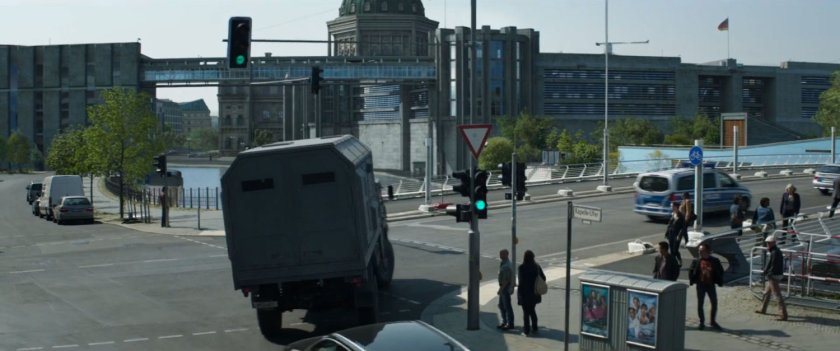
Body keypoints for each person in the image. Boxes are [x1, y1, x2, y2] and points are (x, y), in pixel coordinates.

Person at [688, 243, 724, 331]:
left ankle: (713, 321)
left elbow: (721, 270)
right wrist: (692, 280)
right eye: (699, 251)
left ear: (707, 251)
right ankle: (702, 322)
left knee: (714, 303)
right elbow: (691, 271)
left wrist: (719, 280)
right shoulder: (697, 260)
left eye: (701, 251)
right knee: (700, 304)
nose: (699, 252)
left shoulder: (715, 260)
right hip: (701, 285)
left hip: (710, 284)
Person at [755, 235, 788, 321]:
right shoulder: (776, 251)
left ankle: (783, 315)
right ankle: (763, 309)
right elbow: (773, 264)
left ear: (773, 243)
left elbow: (772, 265)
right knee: (767, 293)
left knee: (777, 295)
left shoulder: (774, 252)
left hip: (773, 275)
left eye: (769, 243)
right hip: (775, 275)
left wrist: (767, 273)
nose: (768, 244)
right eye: (767, 243)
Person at [517, 250, 546, 336]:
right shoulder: (536, 267)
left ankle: (526, 330)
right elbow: (543, 278)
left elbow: (521, 282)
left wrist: (520, 295)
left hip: (525, 294)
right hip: (534, 293)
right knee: (532, 310)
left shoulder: (521, 267)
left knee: (526, 312)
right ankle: (535, 328)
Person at [496, 249, 515, 330]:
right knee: (501, 305)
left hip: (505, 288)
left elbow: (506, 280)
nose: (501, 256)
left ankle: (510, 323)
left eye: (502, 254)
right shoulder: (503, 263)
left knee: (507, 306)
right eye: (500, 254)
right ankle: (504, 322)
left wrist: (501, 289)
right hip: (503, 287)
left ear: (507, 254)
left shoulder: (506, 265)